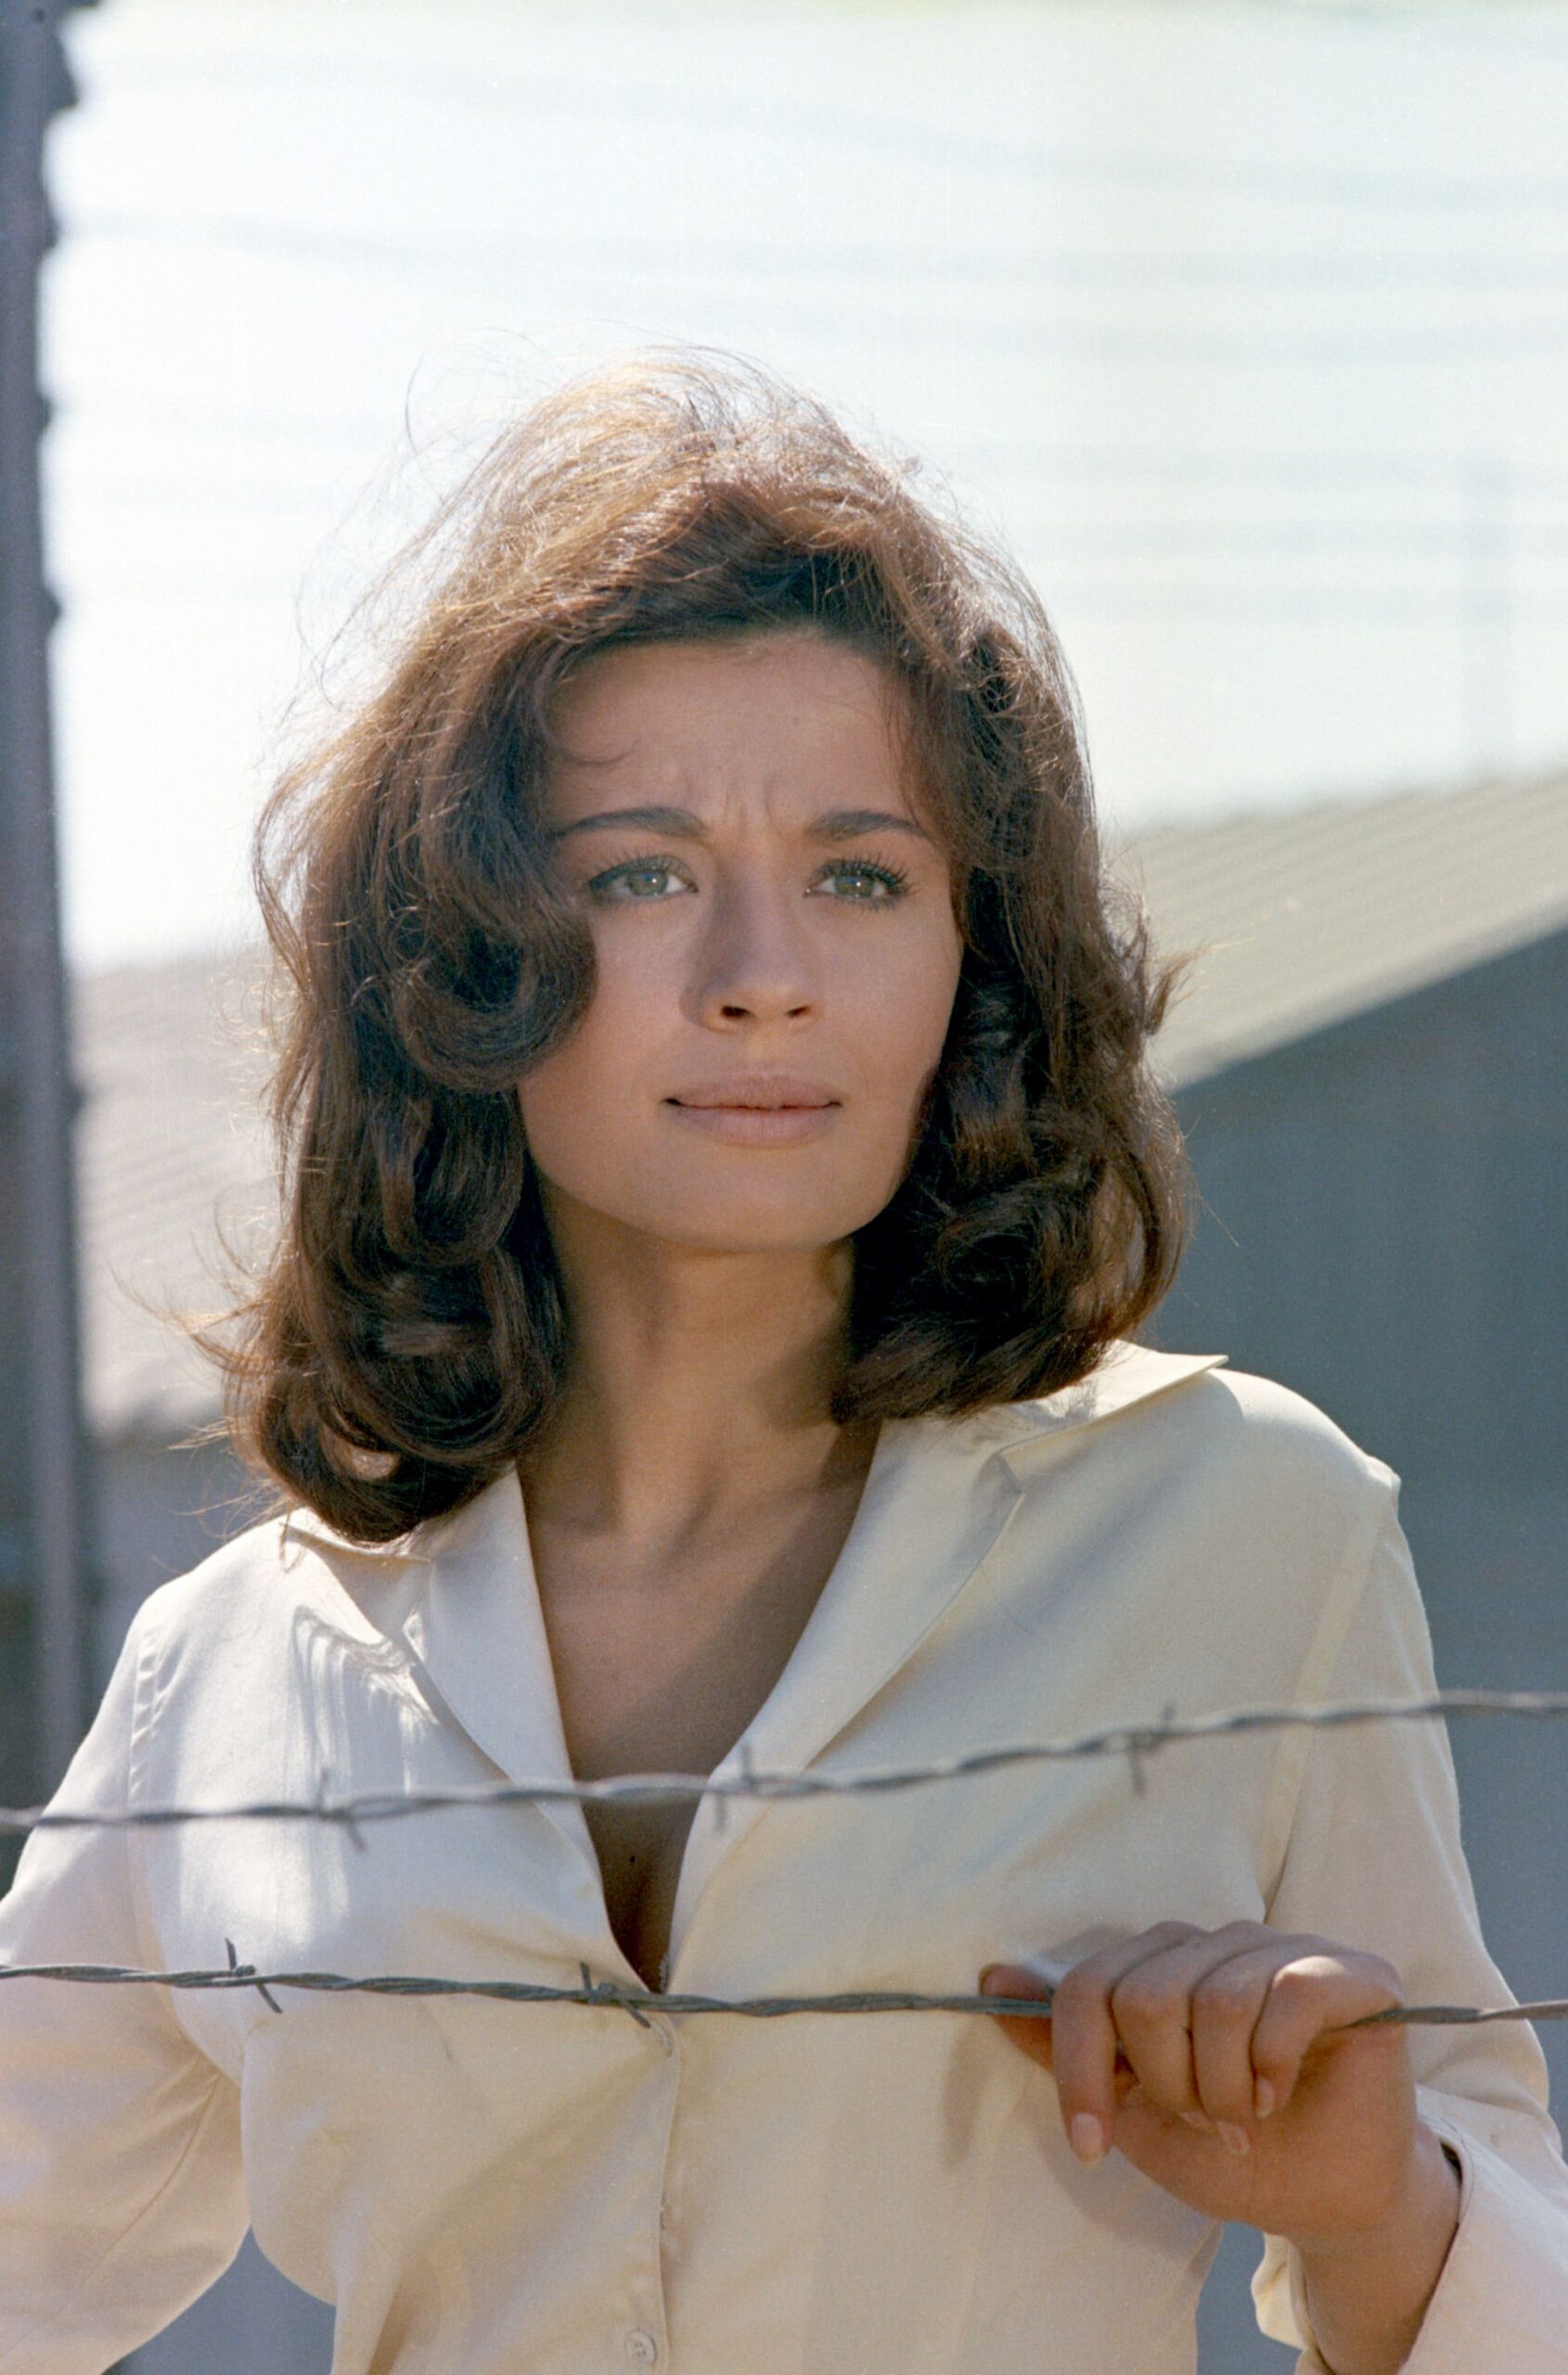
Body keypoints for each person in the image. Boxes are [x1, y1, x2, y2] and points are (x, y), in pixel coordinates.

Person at [2, 354, 1565, 2375]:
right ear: (464, 958)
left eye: (860, 873)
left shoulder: (1251, 1523)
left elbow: (1500, 2269)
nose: (763, 976)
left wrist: (1382, 2203)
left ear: (971, 958)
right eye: (639, 871)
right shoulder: (230, 1660)